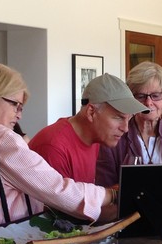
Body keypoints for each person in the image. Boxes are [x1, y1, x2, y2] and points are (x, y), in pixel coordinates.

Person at [0, 63, 120, 230]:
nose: (19, 115)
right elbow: (58, 190)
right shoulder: (0, 138)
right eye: (16, 105)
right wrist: (111, 194)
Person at [29, 73, 150, 222]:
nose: (125, 128)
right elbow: (62, 218)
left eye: (129, 118)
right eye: (118, 117)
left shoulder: (95, 139)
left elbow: (85, 206)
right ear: (91, 112)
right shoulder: (54, 146)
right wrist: (125, 197)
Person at [95, 61, 162, 206]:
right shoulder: (114, 138)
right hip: (127, 222)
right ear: (131, 99)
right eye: (140, 96)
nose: (148, 103)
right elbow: (103, 191)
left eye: (155, 95)